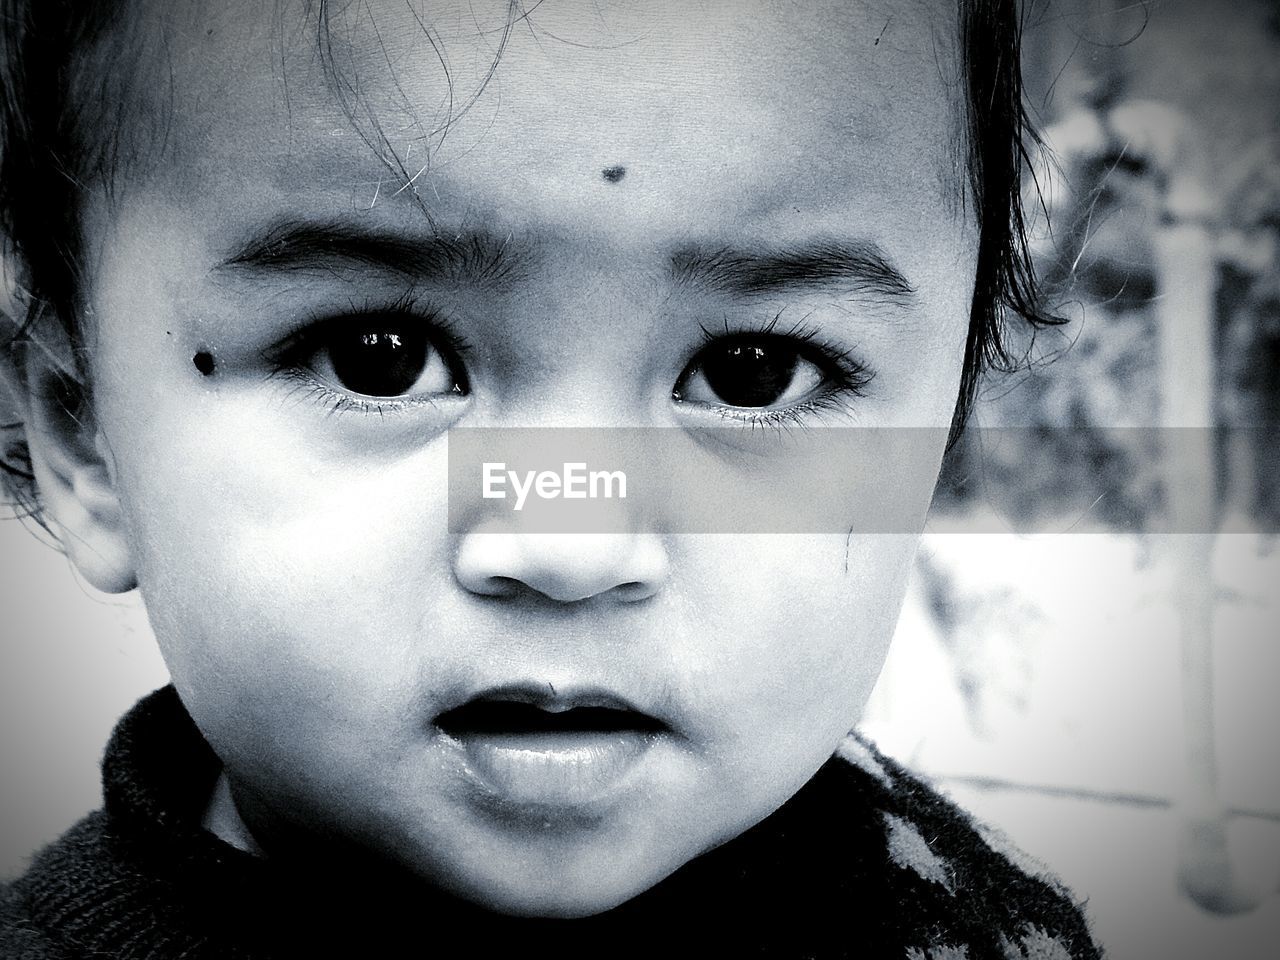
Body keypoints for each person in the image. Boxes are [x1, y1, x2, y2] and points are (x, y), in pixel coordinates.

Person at [0, 0, 1102, 955]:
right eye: (377, 359)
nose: (571, 548)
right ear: (82, 435)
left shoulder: (988, 927)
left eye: (751, 373)